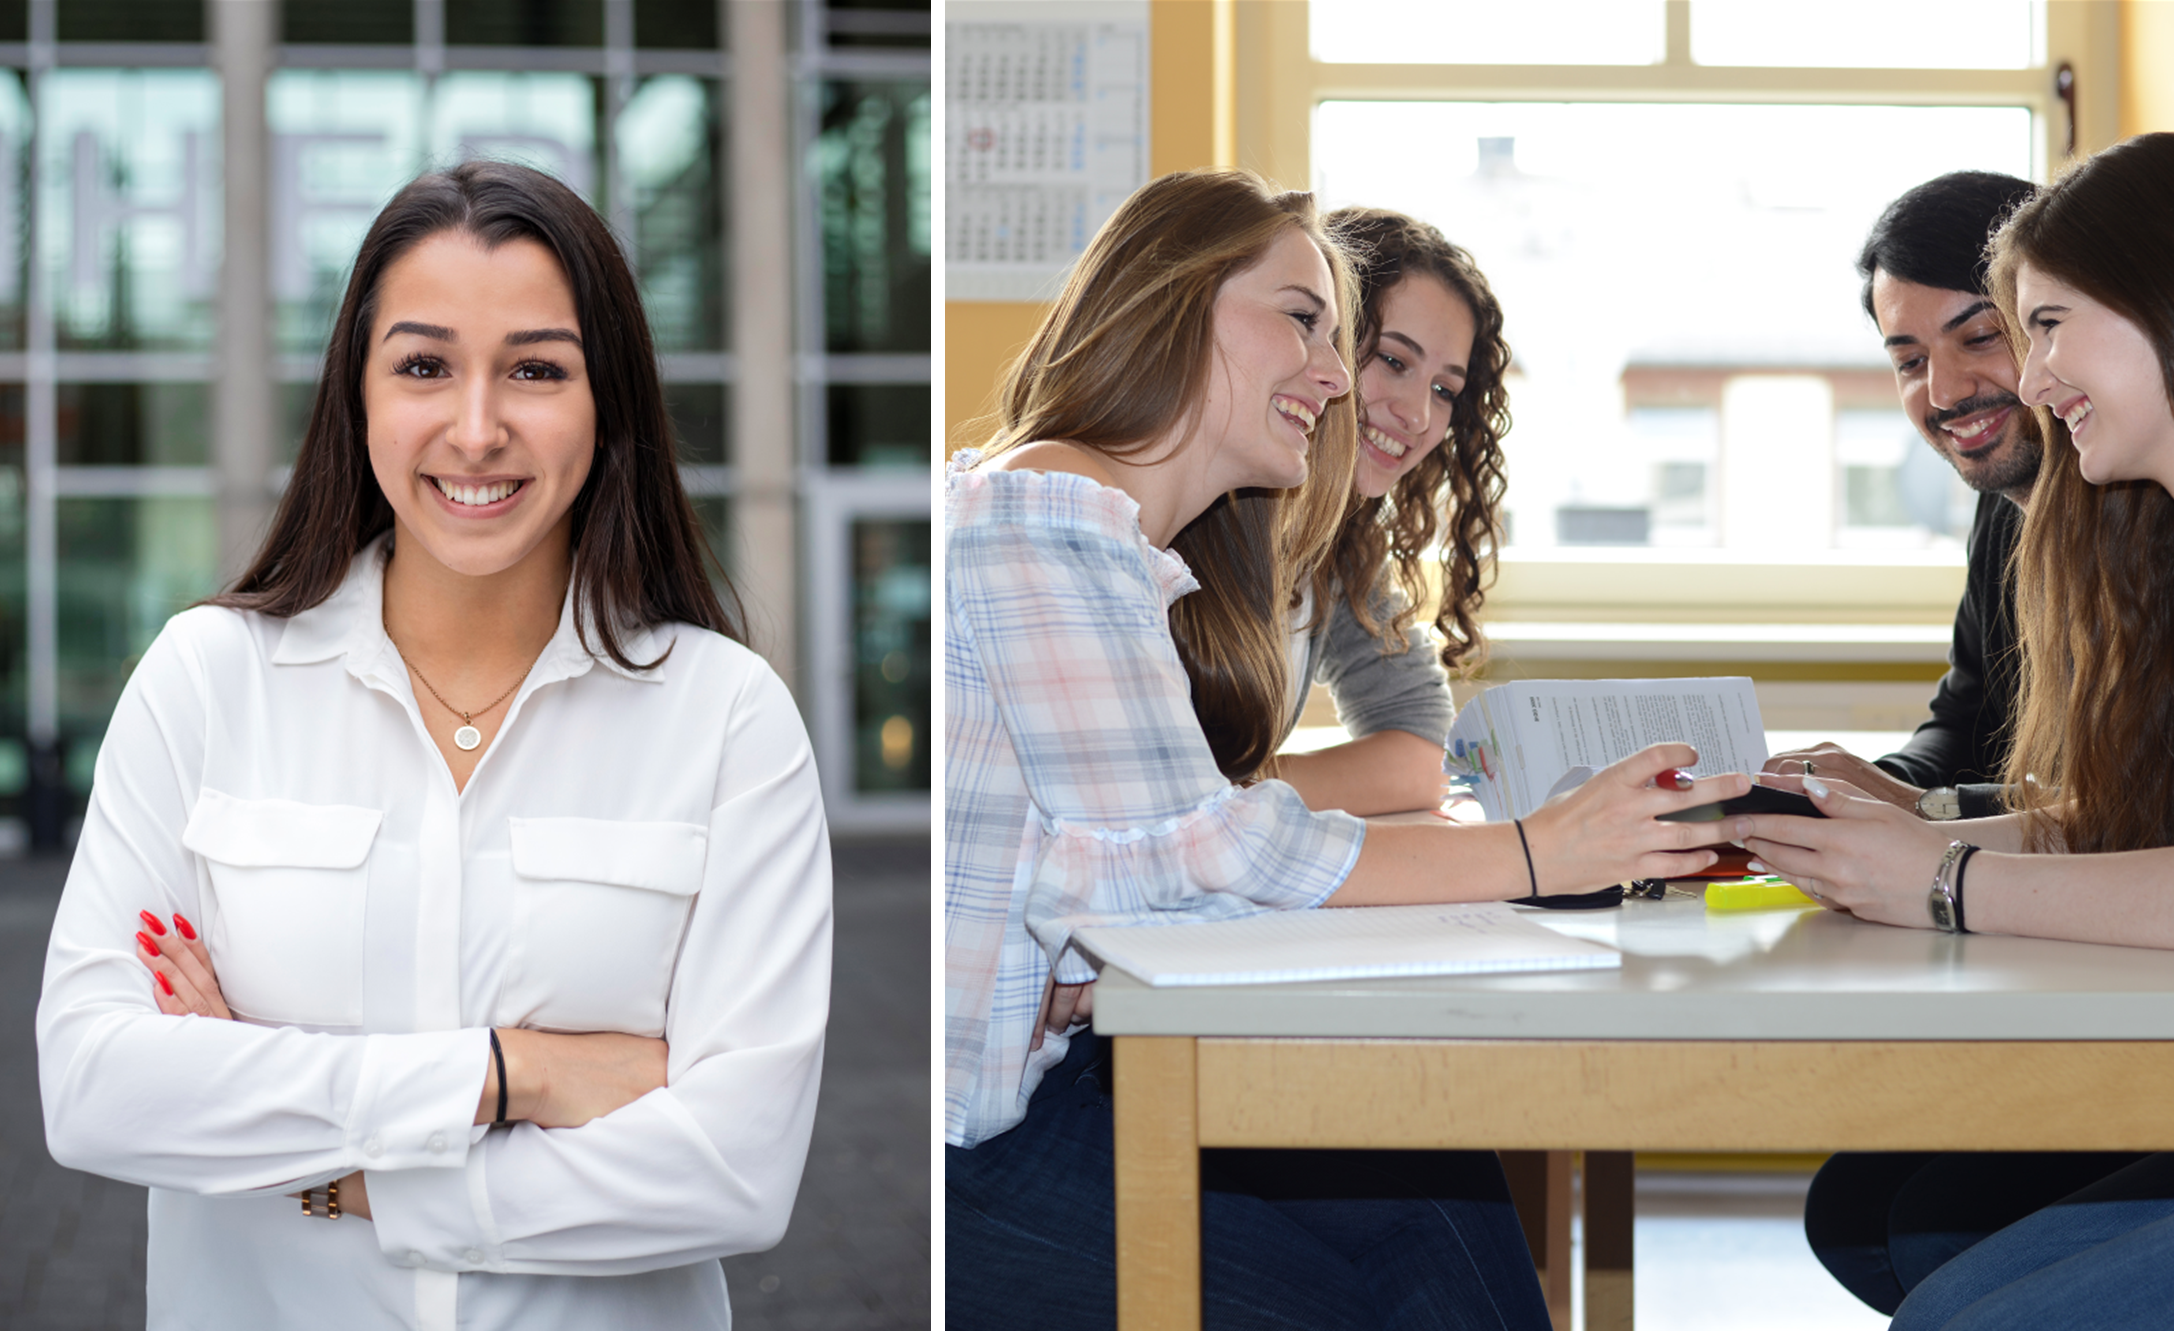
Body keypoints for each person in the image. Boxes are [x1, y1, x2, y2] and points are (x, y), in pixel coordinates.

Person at [939, 168, 1759, 1331]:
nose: (1333, 378)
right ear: (1171, 301)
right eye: (1306, 322)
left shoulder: (1112, 540)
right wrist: (1539, 848)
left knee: (1437, 1181)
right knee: (1356, 1296)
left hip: (1047, 1066)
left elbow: (1132, 856)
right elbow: (1206, 845)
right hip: (974, 1134)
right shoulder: (1040, 519)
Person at [32, 160, 832, 1329]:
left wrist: (325, 1165)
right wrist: (517, 1072)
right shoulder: (210, 680)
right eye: (423, 366)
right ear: (356, 395)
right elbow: (97, 1089)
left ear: (606, 401)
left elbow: (732, 1171)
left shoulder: (726, 715)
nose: (476, 428)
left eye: (536, 370)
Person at [1719, 132, 2174, 1331]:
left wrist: (1945, 879)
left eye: (2049, 326)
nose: (2029, 376)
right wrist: (1914, 831)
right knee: (1918, 1243)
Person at [1764, 172, 2043, 822]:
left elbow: (2158, 802)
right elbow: (1969, 723)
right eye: (1910, 362)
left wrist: (1924, 806)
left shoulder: (2164, 512)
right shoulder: (2006, 503)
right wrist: (1859, 785)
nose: (1943, 392)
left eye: (1978, 338)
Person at [1254, 206, 1514, 817]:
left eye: (1444, 390)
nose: (1419, 416)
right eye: (1395, 361)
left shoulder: (1337, 542)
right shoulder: (1198, 507)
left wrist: (1237, 790)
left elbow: (1421, 753)